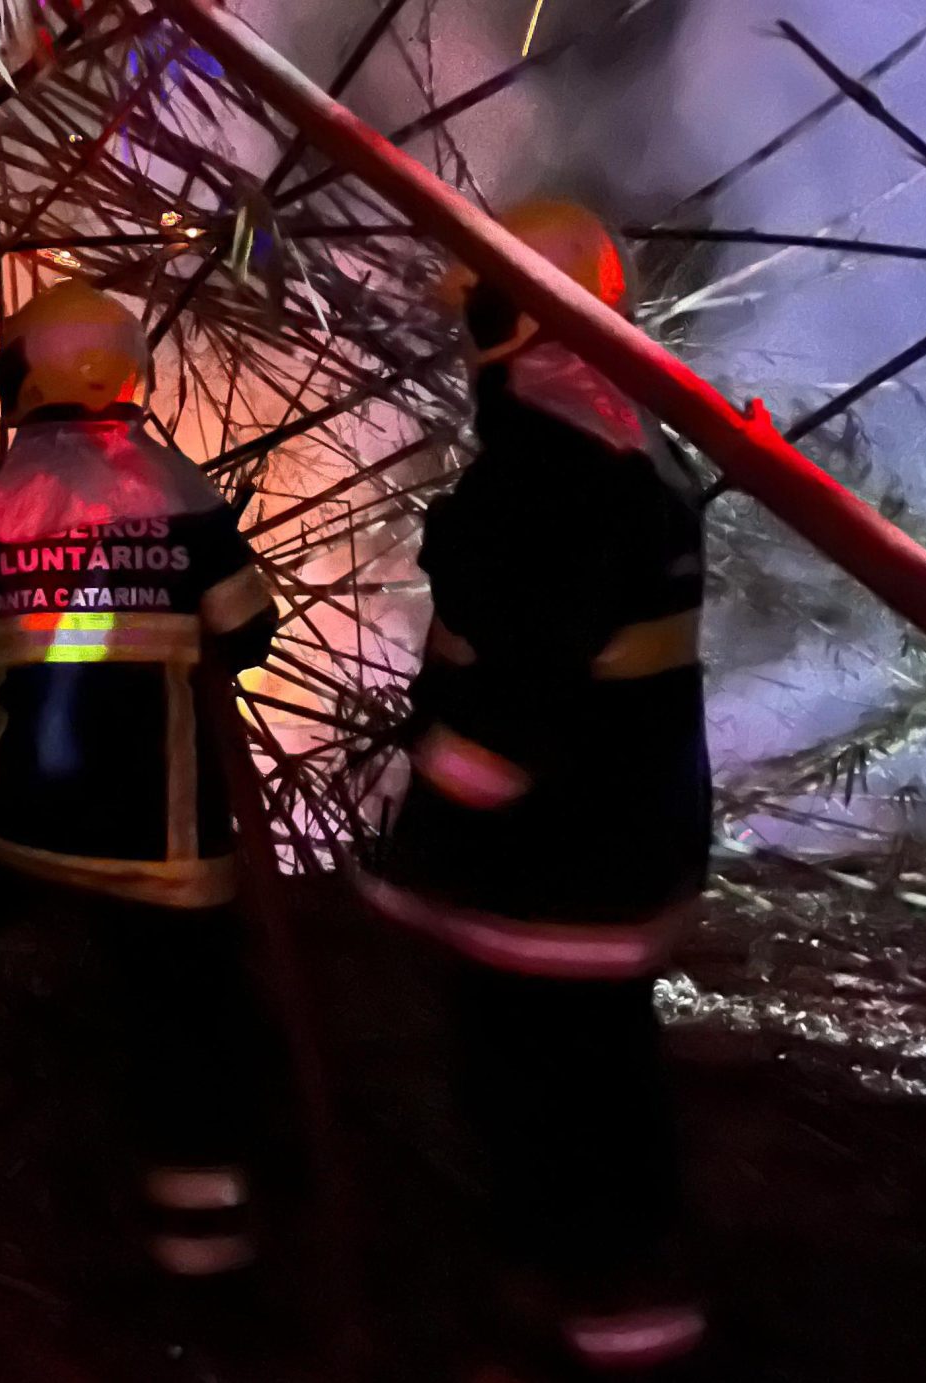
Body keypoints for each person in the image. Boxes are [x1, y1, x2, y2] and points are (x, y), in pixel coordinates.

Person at [354, 201, 712, 1378]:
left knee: (536, 1087)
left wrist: (424, 827)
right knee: (600, 1070)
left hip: (548, 856)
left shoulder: (551, 472)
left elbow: (512, 692)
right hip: (620, 836)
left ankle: (591, 1315)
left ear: (509, 316)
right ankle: (606, 1296)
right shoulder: (624, 437)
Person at [0, 279, 281, 1278]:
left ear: (23, 379)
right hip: (163, 850)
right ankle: (202, 1257)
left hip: (16, 817)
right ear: (126, 376)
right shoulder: (183, 495)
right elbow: (248, 631)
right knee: (189, 1028)